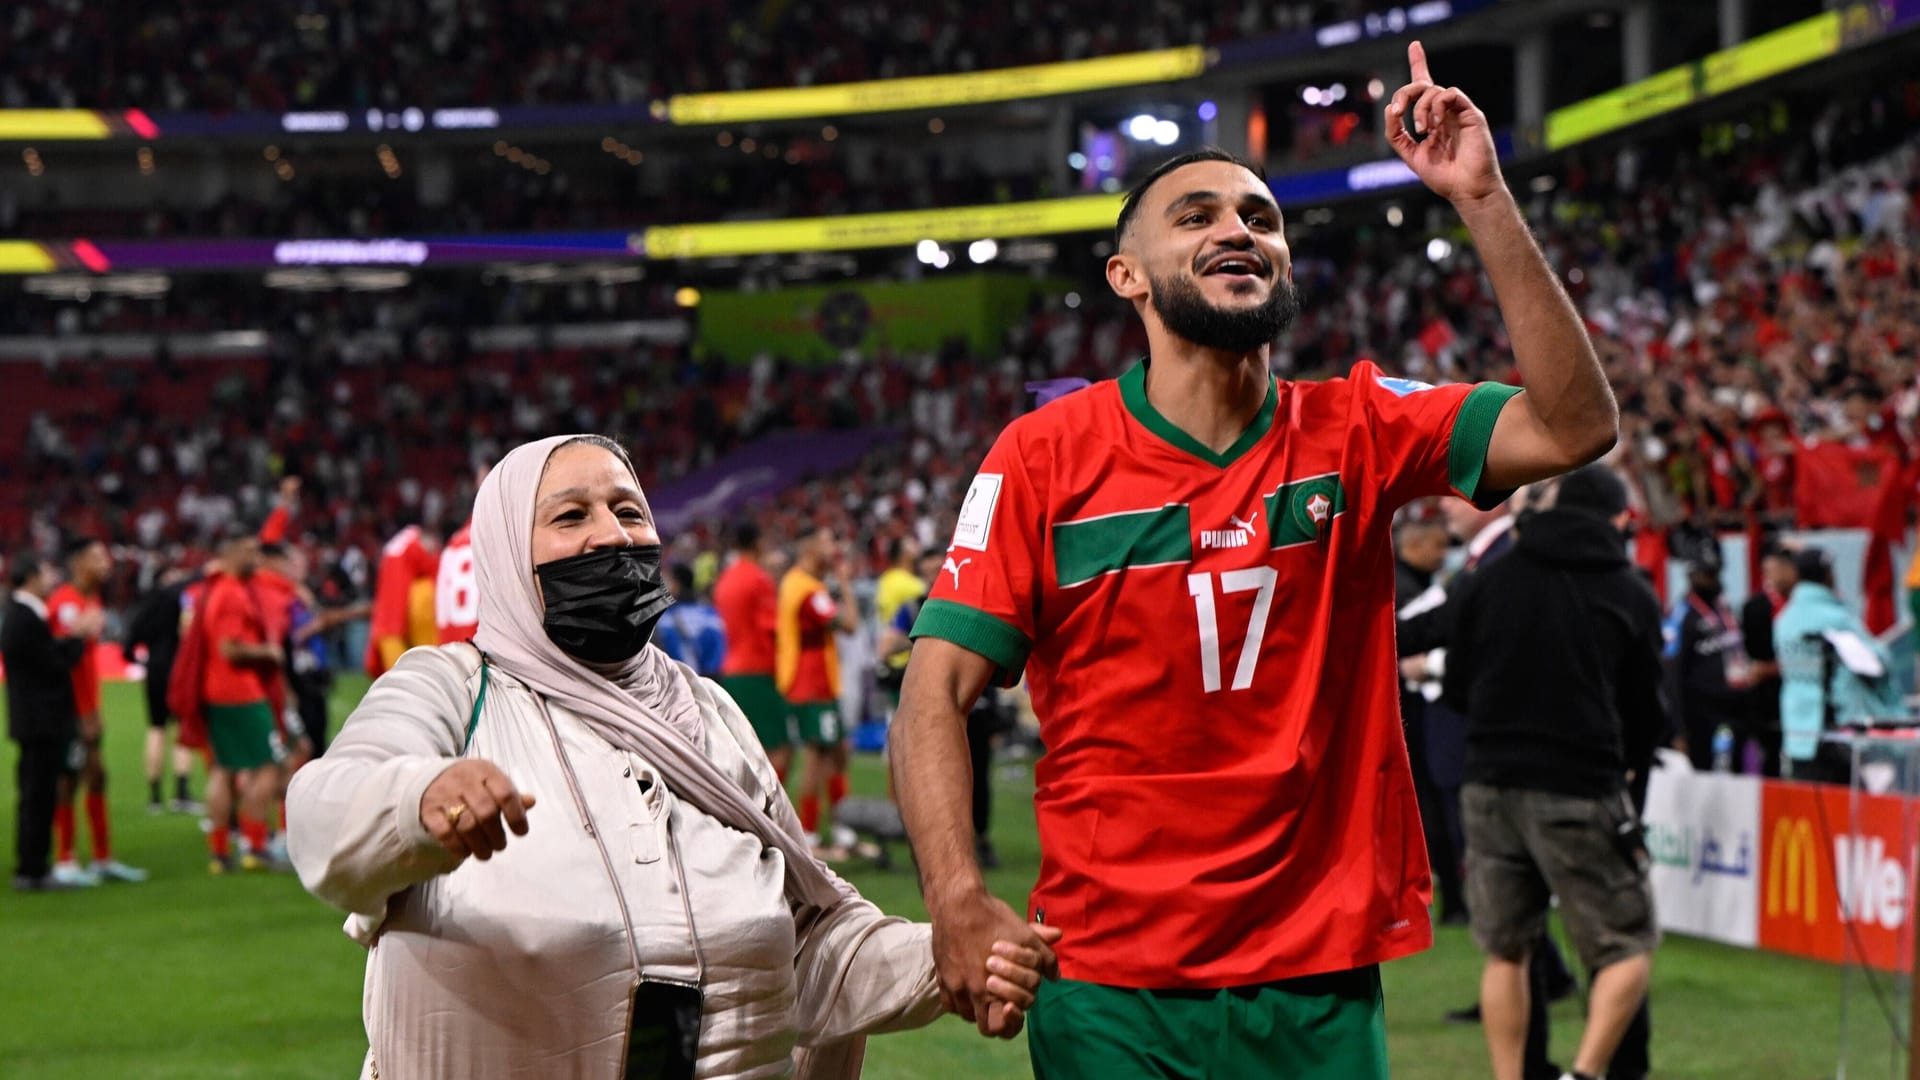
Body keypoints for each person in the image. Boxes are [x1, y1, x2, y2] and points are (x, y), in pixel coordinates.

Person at [892, 41, 1618, 1078]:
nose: (1240, 229)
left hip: (1317, 980)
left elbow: (1574, 426)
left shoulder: (1357, 426)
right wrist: (956, 897)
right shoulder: (1043, 457)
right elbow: (933, 695)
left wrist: (1484, 198)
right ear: (1127, 277)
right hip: (1109, 982)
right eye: (1198, 217)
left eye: (1261, 218)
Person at [286, 434, 1059, 1079]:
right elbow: (324, 814)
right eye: (570, 517)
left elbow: (814, 945)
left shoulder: (708, 713)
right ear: (503, 557)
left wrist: (950, 956)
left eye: (629, 511)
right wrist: (420, 801)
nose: (612, 535)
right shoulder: (455, 689)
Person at [1444, 465, 1664, 1080]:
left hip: (1488, 785)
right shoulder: (1630, 590)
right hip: (1579, 785)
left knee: (1507, 948)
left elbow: (1458, 687)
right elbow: (1650, 713)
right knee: (1627, 944)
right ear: (1620, 520)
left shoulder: (1491, 580)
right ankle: (1587, 1073)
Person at [48, 536, 147, 884]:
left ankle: (102, 858)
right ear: (78, 564)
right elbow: (64, 664)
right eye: (97, 557)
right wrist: (82, 713)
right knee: (68, 779)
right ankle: (65, 859)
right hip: (71, 711)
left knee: (96, 777)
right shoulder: (66, 604)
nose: (106, 563)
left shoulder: (89, 599)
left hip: (88, 706)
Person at [200, 532, 291, 872]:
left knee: (223, 770)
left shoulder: (217, 590)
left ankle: (219, 853)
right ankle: (254, 846)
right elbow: (229, 648)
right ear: (232, 553)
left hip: (217, 692)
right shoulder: (232, 594)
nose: (257, 558)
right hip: (242, 693)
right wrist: (266, 651)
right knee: (268, 766)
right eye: (251, 551)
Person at [1392, 516, 1465, 925]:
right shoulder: (1403, 589)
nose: (1443, 554)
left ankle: (1448, 893)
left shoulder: (1415, 585)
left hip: (1421, 713)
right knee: (1434, 805)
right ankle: (1451, 897)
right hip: (1416, 715)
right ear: (1413, 546)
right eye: (1437, 546)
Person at [1776, 546, 1901, 783]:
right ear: (1826, 575)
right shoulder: (1836, 617)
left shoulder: (1783, 620)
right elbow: (1877, 662)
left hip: (1796, 731)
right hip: (1837, 735)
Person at [6, 553, 92, 891]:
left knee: (36, 794)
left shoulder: (21, 614)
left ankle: (33, 864)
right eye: (44, 572)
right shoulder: (24, 617)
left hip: (33, 720)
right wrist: (78, 637)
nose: (51, 577)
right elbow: (52, 664)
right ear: (29, 577)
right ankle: (33, 869)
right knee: (38, 794)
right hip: (40, 721)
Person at [779, 526, 860, 852]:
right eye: (828, 540)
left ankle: (841, 825)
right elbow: (851, 625)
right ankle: (810, 833)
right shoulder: (809, 591)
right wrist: (844, 581)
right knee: (818, 757)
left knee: (838, 752)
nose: (834, 546)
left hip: (812, 682)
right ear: (810, 548)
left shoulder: (796, 583)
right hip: (812, 685)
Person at [123, 562, 202, 813]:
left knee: (156, 729)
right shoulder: (178, 602)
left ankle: (155, 797)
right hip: (177, 671)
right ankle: (181, 792)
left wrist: (141, 661)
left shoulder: (144, 608)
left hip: (153, 671)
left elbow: (128, 646)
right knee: (181, 729)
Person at [714, 522, 790, 776]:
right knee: (779, 751)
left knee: (744, 749)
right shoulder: (758, 578)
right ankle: (770, 814)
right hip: (758, 672)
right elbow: (774, 626)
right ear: (757, 543)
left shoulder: (725, 579)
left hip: (732, 671)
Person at [1664, 548, 1750, 771]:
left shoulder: (1724, 608)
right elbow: (1671, 674)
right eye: (1707, 574)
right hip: (1699, 717)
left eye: (1716, 573)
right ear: (1692, 576)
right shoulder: (1682, 615)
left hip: (1734, 710)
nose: (1714, 580)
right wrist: (1678, 729)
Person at [1740, 544, 1796, 778]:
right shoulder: (1754, 607)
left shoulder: (1796, 606)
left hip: (1791, 688)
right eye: (1768, 570)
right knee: (1769, 752)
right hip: (1765, 696)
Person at [365, 522, 440, 678]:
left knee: (395, 685)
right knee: (424, 679)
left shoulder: (398, 543)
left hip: (385, 622)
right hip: (400, 620)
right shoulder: (416, 544)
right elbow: (436, 569)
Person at [655, 564, 728, 676]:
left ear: (676, 584)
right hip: (708, 681)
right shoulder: (710, 614)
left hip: (677, 680)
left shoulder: (665, 618)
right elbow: (718, 648)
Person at [874, 537, 927, 631]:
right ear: (903, 554)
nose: (917, 546)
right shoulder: (906, 582)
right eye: (911, 544)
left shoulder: (887, 577)